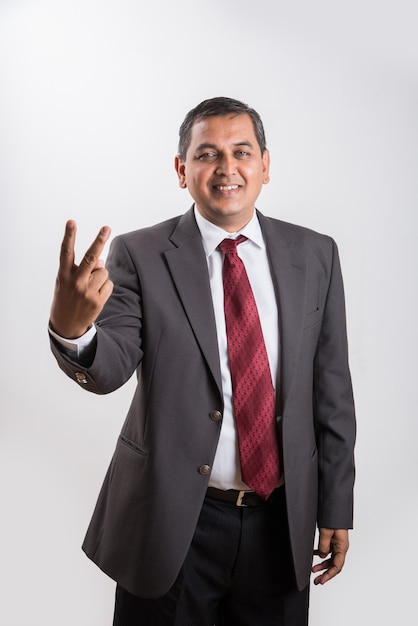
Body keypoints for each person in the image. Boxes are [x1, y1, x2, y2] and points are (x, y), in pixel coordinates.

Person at [49, 96, 356, 626]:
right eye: (208, 154)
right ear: (181, 169)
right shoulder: (141, 255)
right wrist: (73, 330)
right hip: (173, 524)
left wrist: (336, 504)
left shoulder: (315, 254)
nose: (226, 168)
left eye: (241, 152)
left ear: (265, 164)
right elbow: (112, 365)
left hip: (280, 523)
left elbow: (331, 390)